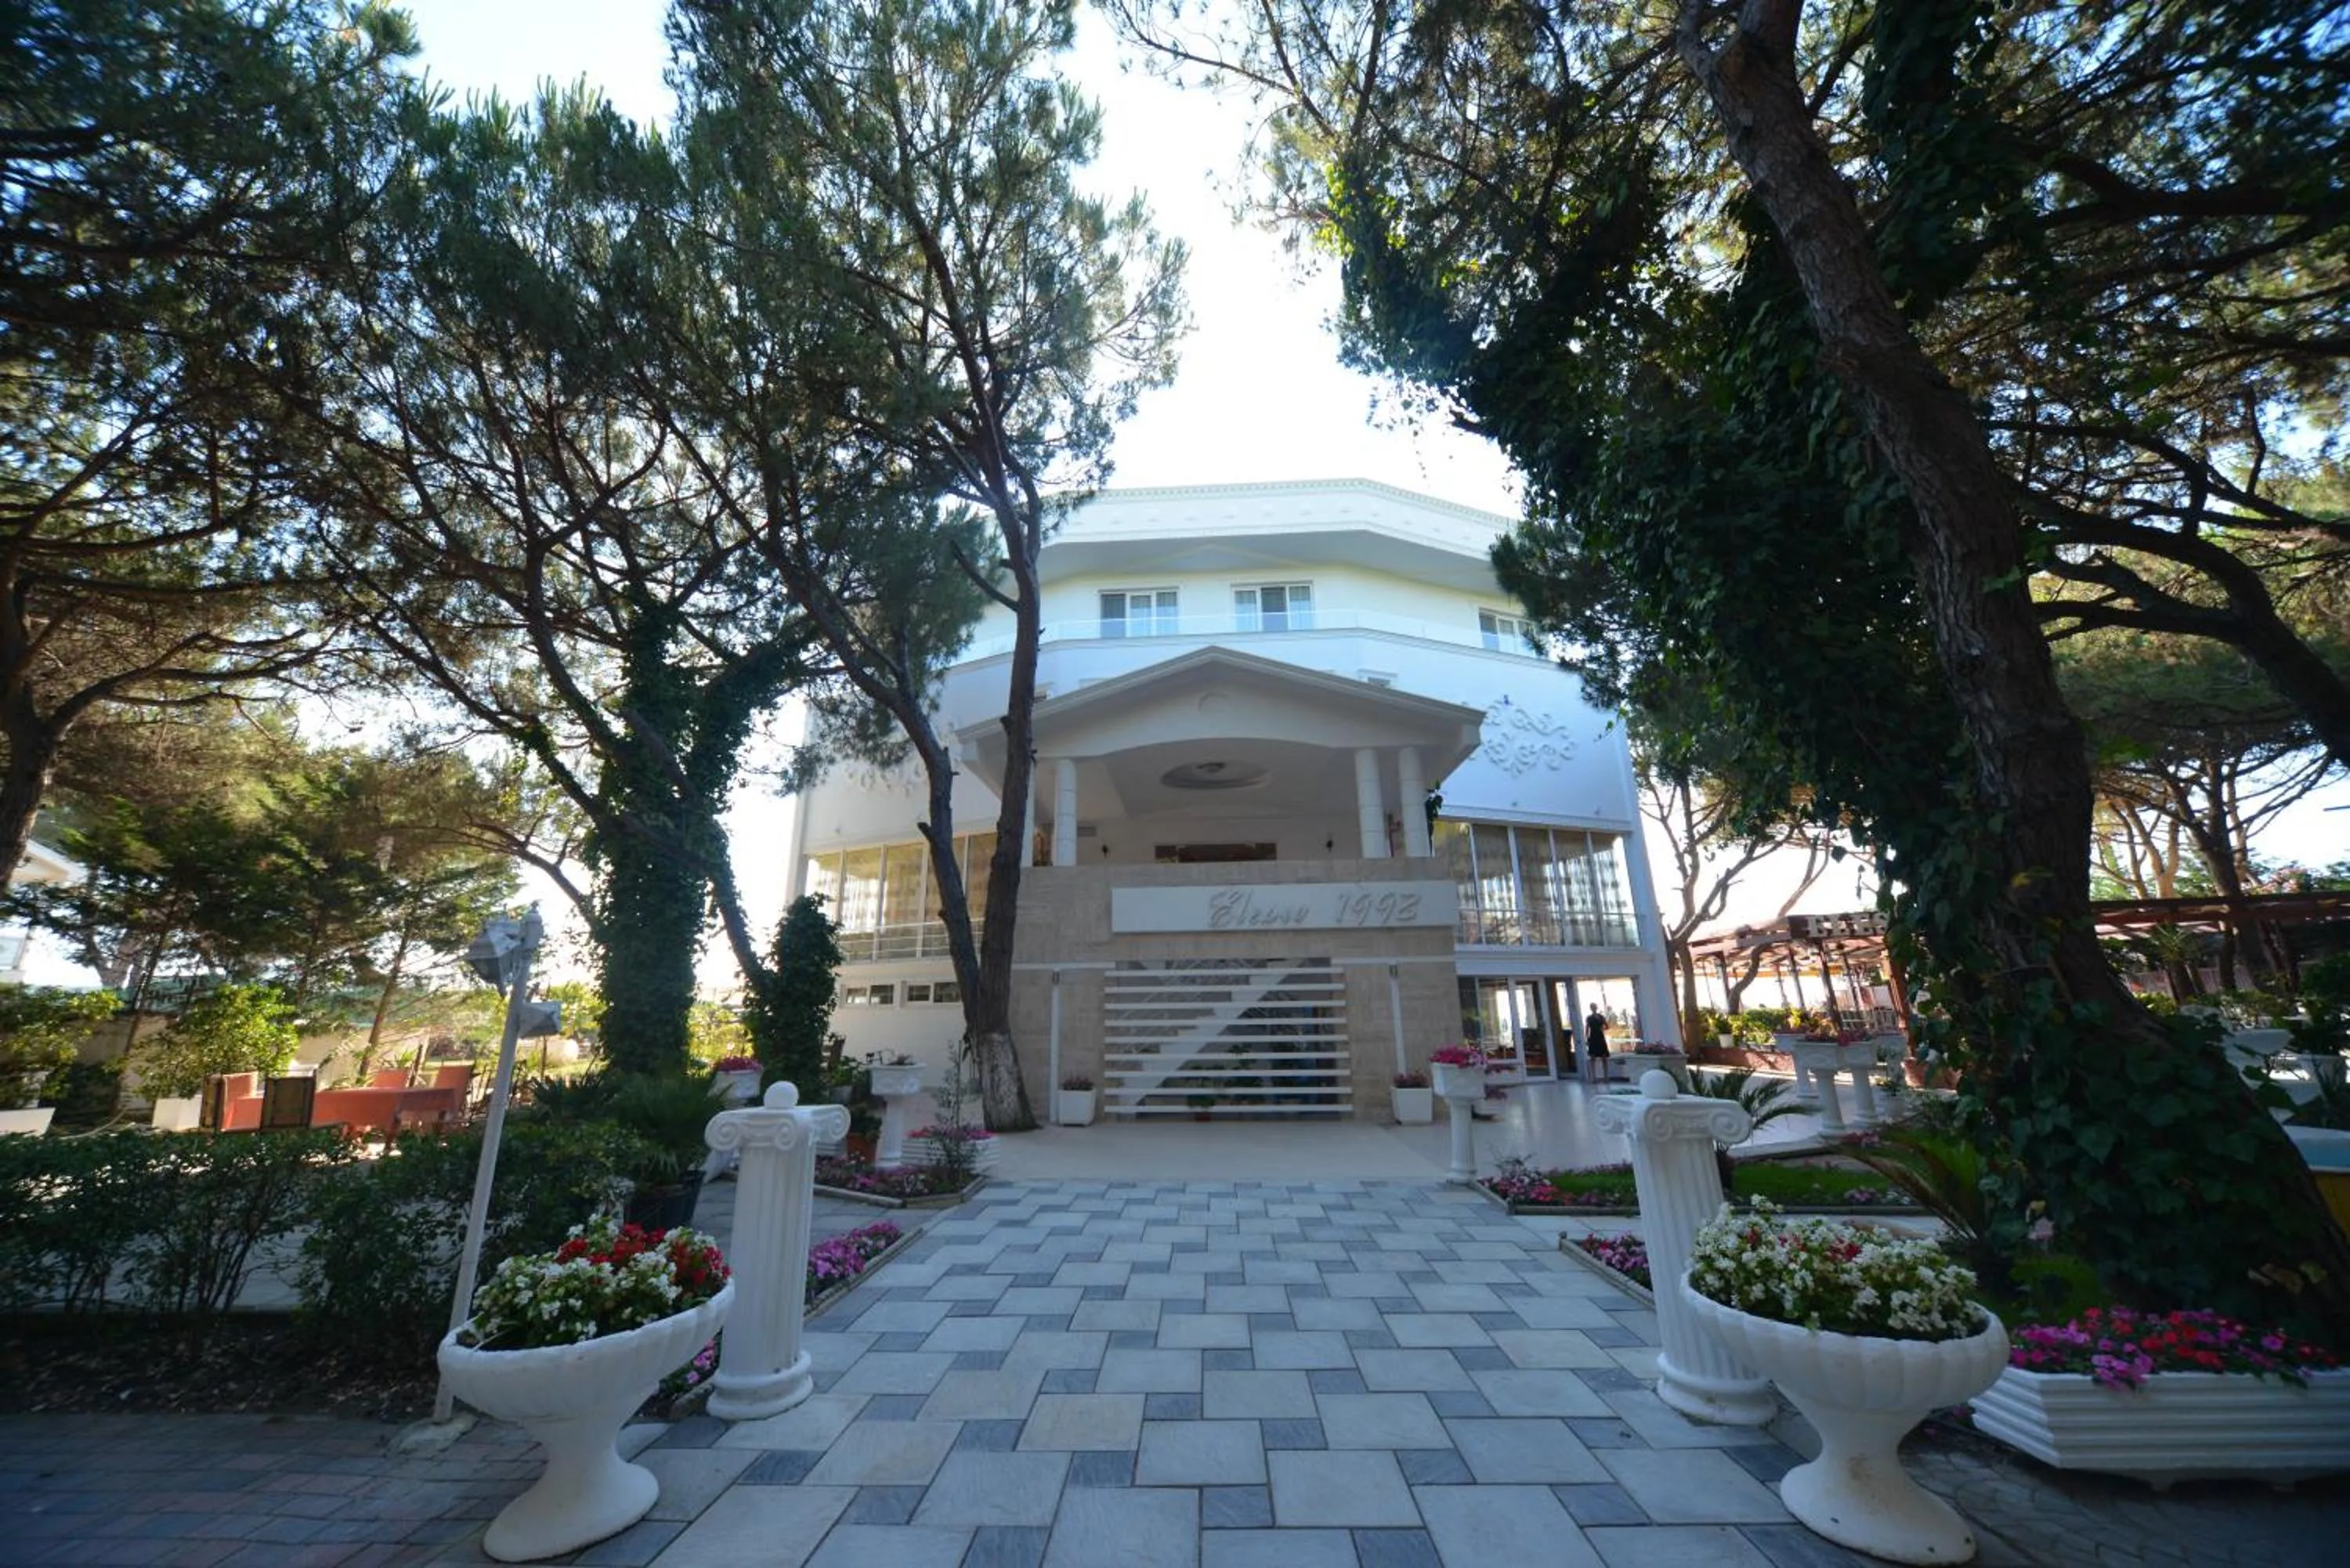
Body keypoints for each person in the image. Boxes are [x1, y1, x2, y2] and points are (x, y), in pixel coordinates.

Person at [1582, 1006, 1611, 1083]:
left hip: (1600, 1037)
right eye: (1592, 1007)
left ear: (1596, 1008)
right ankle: (1593, 1077)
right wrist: (1586, 1039)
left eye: (1594, 1007)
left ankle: (1606, 1077)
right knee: (1593, 1057)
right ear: (1591, 1009)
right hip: (1593, 1037)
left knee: (1604, 1057)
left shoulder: (1601, 1017)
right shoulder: (1589, 1018)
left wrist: (1603, 1029)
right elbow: (1587, 1029)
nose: (1593, 1008)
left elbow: (1607, 1026)